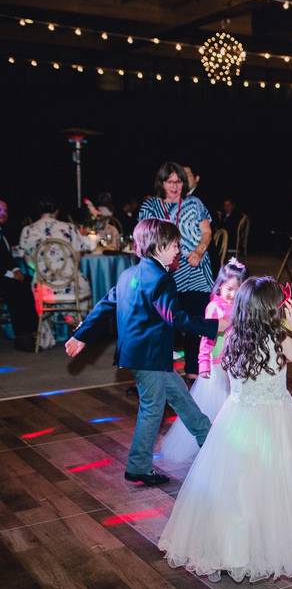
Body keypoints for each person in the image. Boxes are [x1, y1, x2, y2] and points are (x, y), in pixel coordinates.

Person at [159, 277, 292, 582]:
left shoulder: (232, 338)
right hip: (275, 421)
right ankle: (272, 544)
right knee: (276, 485)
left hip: (236, 419)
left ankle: (232, 547)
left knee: (235, 486)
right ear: (274, 310)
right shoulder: (279, 340)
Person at [65, 219, 225, 486]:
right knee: (152, 409)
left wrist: (82, 335)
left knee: (180, 397)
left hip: (142, 355)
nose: (178, 249)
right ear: (159, 246)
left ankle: (210, 442)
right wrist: (214, 325)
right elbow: (176, 318)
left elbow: (106, 304)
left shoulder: (131, 274)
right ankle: (138, 467)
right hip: (149, 357)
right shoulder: (161, 279)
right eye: (175, 244)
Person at [159, 258, 247, 463]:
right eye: (229, 289)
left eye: (237, 290)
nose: (232, 294)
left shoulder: (241, 308)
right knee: (214, 404)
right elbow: (206, 341)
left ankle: (235, 442)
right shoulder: (213, 309)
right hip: (215, 365)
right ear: (220, 287)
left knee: (233, 403)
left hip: (235, 363)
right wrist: (203, 363)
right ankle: (212, 442)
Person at [139, 162, 215, 379]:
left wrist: (199, 251)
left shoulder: (194, 203)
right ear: (161, 183)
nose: (175, 185)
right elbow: (144, 238)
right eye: (170, 181)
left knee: (196, 320)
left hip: (196, 269)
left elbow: (207, 232)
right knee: (165, 323)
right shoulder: (151, 207)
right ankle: (163, 374)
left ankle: (193, 371)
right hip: (165, 273)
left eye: (179, 181)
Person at [0, 199, 38, 350]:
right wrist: (10, 274)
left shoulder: (4, 232)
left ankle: (32, 332)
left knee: (28, 281)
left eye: (5, 210)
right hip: (3, 277)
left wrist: (15, 270)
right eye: (0, 210)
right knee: (17, 288)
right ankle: (22, 335)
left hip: (5, 275)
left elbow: (6, 258)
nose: (3, 213)